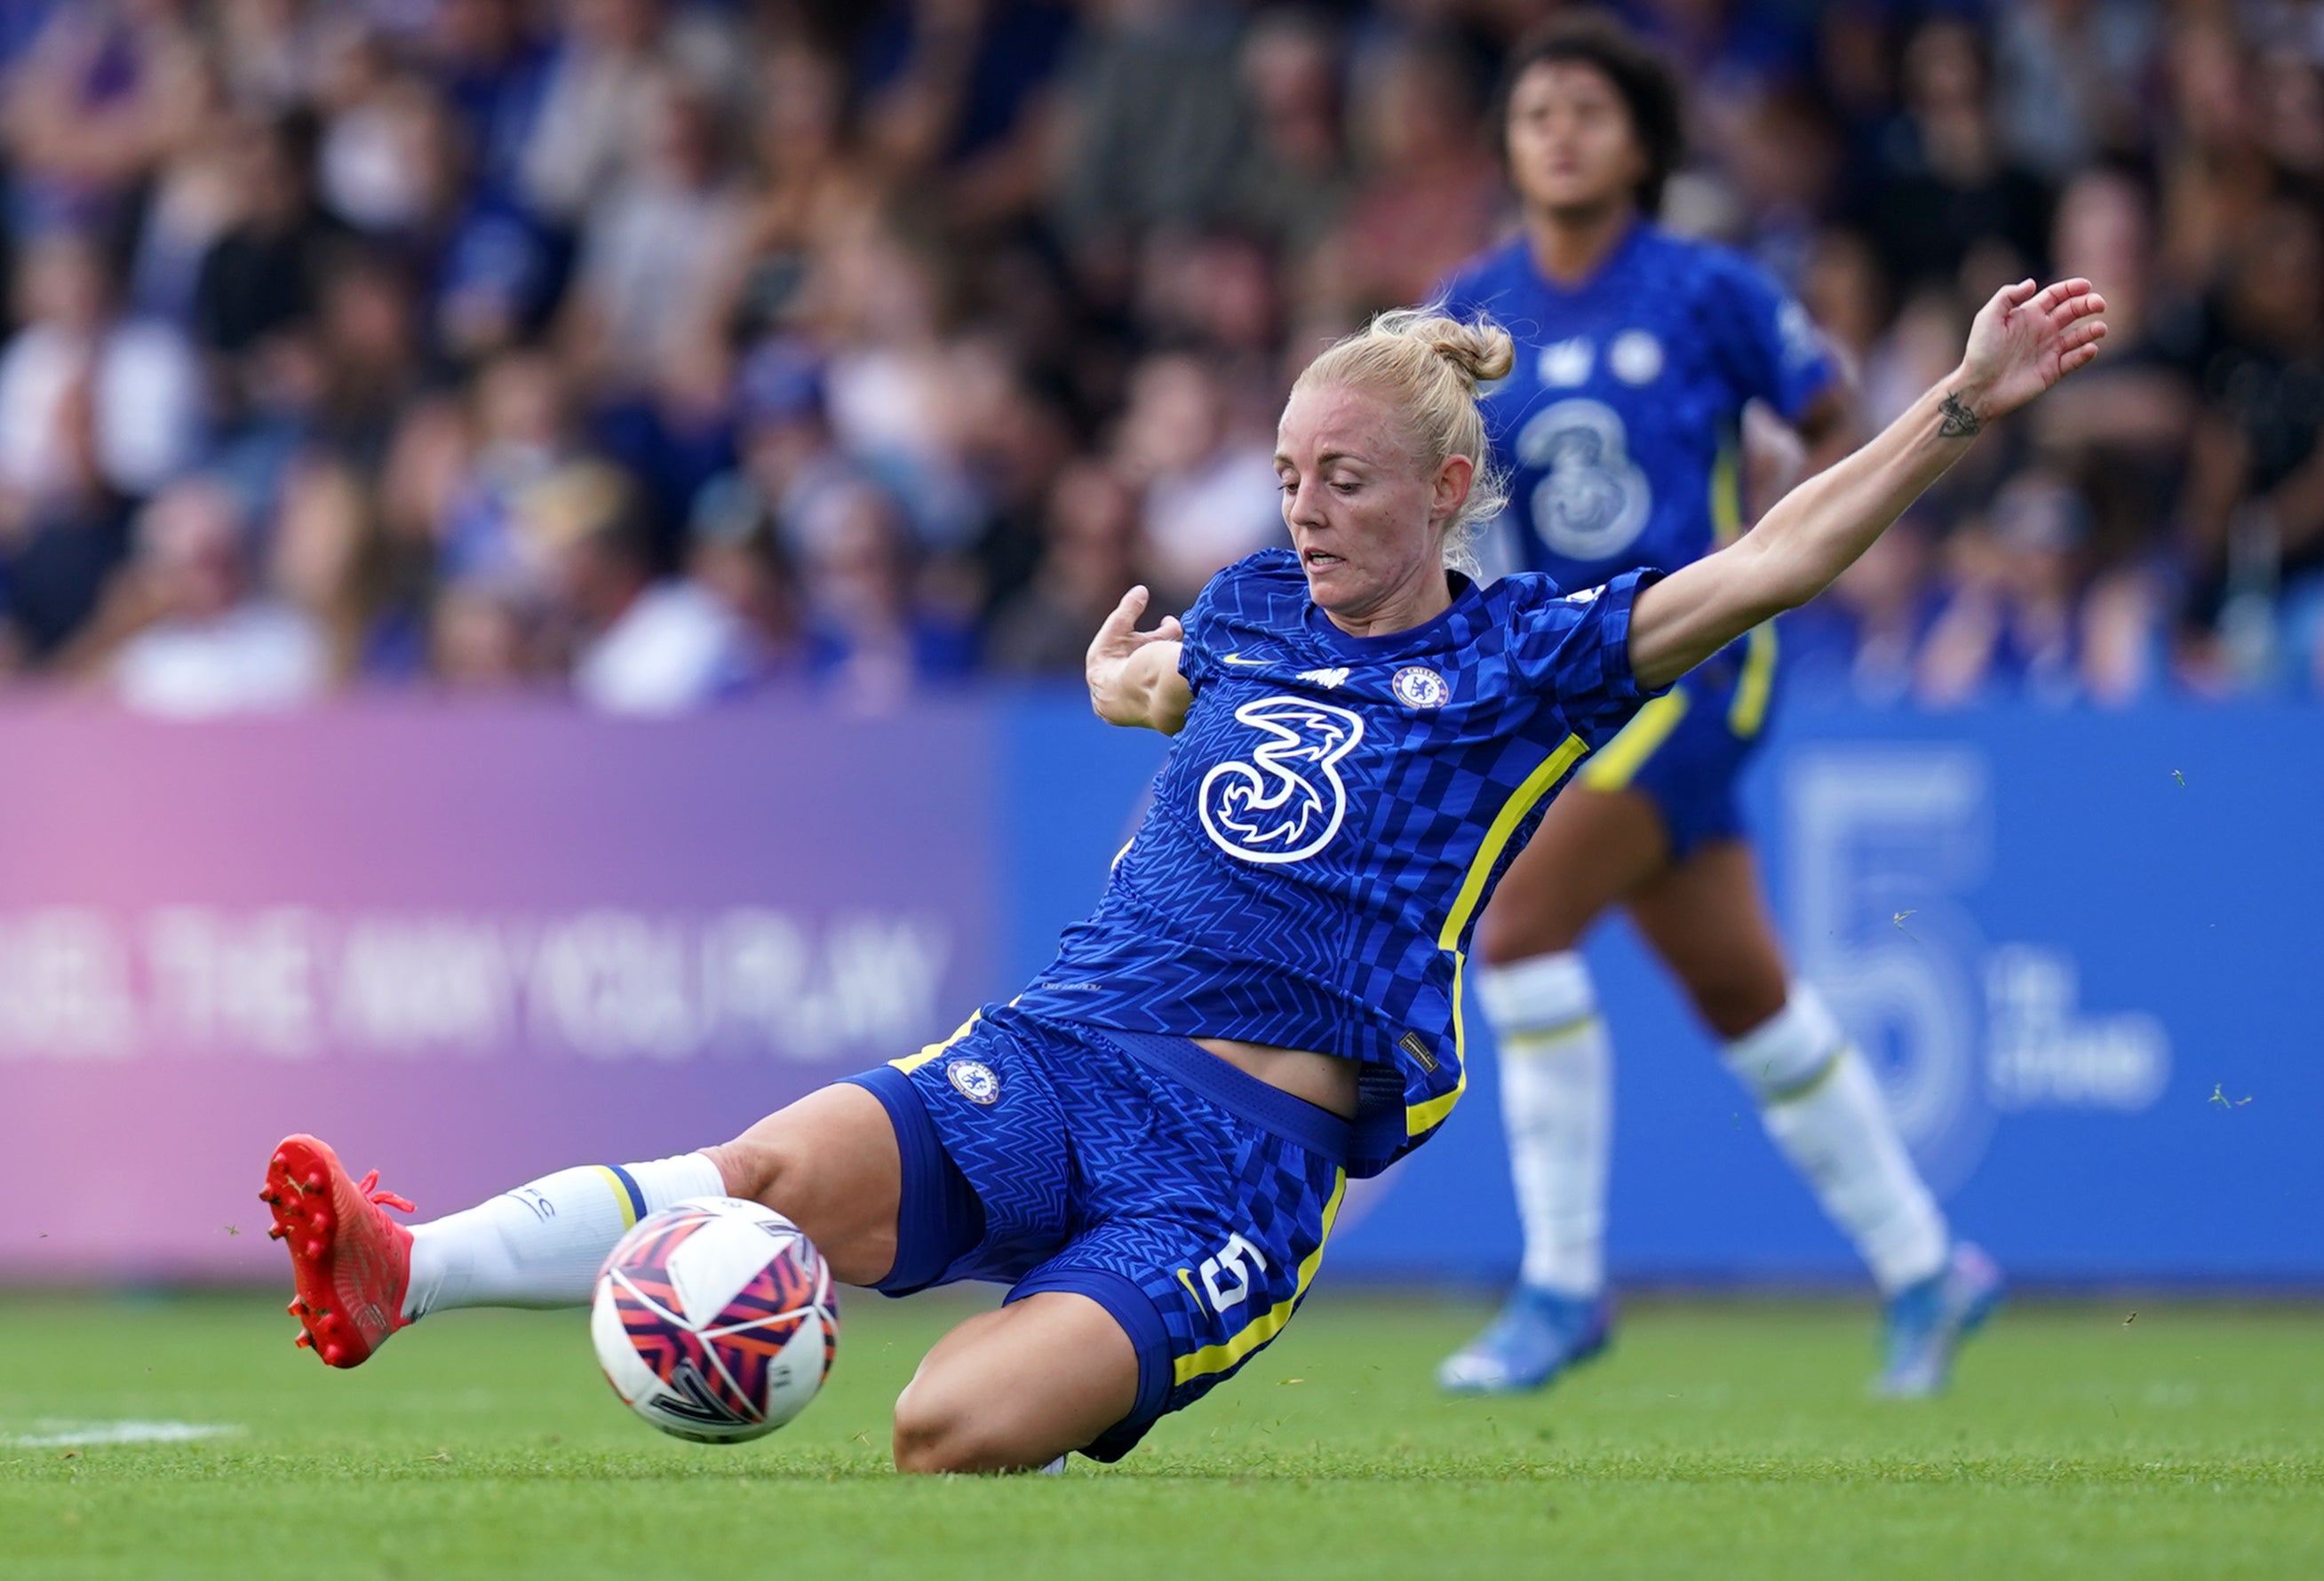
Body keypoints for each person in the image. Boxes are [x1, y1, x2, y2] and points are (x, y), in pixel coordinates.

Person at [261, 274, 2105, 1471]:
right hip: (1062, 1048)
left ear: (1447, 494)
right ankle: (403, 1261)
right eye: (1292, 471)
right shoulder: (1245, 605)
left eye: (1348, 481)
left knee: (943, 1430)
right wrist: (1111, 679)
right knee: (756, 1171)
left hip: (1236, 1153)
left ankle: (1020, 1301)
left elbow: (1771, 560)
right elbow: (1165, 681)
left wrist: (1959, 407)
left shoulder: (1529, 653)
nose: (1304, 507)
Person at [1431, 17, 2009, 1400]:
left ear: (1640, 142)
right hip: (1552, 674)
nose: (1558, 131)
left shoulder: (1707, 291)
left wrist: (1798, 526)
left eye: (1587, 109)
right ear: (1507, 145)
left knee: (1516, 929)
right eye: (1534, 112)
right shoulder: (1469, 305)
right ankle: (1930, 1265)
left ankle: (1563, 1285)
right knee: (1744, 991)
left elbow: (1829, 412)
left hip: (1689, 662)